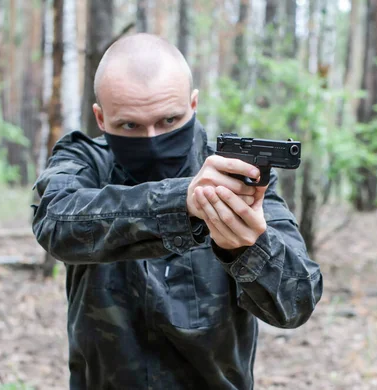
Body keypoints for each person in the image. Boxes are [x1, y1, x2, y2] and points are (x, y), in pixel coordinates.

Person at [31, 33, 323, 389]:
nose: (153, 139)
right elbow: (56, 222)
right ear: (101, 118)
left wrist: (248, 248)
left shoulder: (237, 175)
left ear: (193, 104)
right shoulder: (86, 161)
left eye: (169, 120)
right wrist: (182, 202)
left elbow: (297, 302)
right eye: (130, 125)